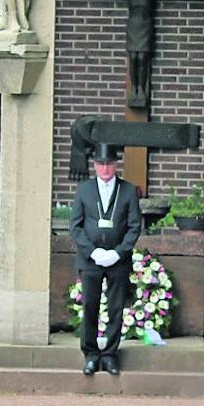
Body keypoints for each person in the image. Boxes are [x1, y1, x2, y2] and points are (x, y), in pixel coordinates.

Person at [68, 143, 142, 375]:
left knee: (115, 307)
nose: (105, 168)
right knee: (90, 305)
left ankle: (110, 354)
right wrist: (92, 251)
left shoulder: (128, 190)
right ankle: (90, 354)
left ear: (116, 164)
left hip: (117, 260)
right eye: (101, 164)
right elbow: (76, 225)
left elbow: (134, 226)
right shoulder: (84, 189)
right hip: (90, 260)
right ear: (95, 165)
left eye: (109, 163)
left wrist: (118, 253)